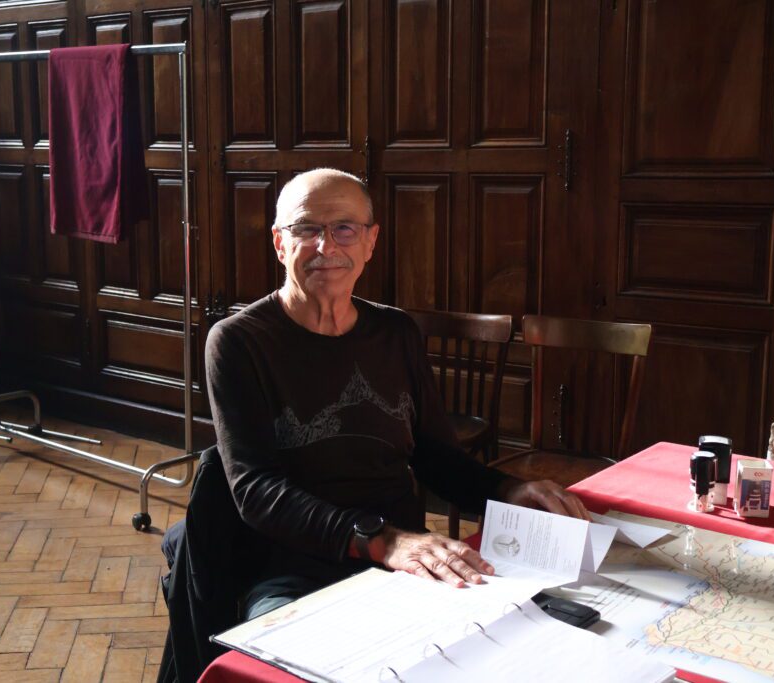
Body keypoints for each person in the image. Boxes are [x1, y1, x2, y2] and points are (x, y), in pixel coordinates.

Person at [203, 167, 589, 620]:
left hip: (404, 560)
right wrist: (383, 541)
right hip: (293, 568)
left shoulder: (395, 332)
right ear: (279, 243)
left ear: (370, 242)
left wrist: (510, 489)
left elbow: (435, 457)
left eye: (344, 229)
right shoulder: (238, 341)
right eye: (306, 229)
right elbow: (258, 491)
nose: (326, 247)